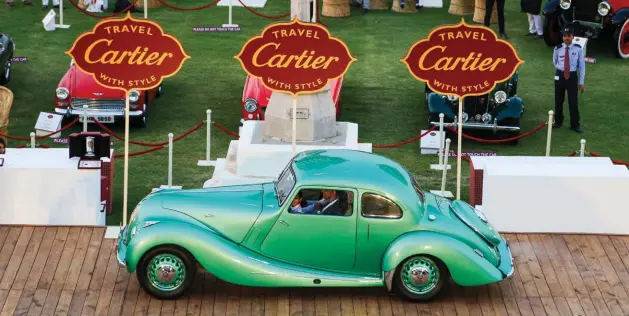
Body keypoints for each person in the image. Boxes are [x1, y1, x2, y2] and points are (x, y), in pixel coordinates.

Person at [552, 25, 585, 133]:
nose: (566, 38)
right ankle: (557, 121)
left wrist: (581, 82)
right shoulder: (557, 49)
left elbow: (581, 66)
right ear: (562, 37)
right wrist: (561, 70)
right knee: (558, 100)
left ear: (572, 36)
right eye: (565, 36)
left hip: (572, 76)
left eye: (568, 36)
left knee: (573, 101)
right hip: (560, 75)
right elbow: (555, 62)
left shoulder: (578, 49)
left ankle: (575, 124)